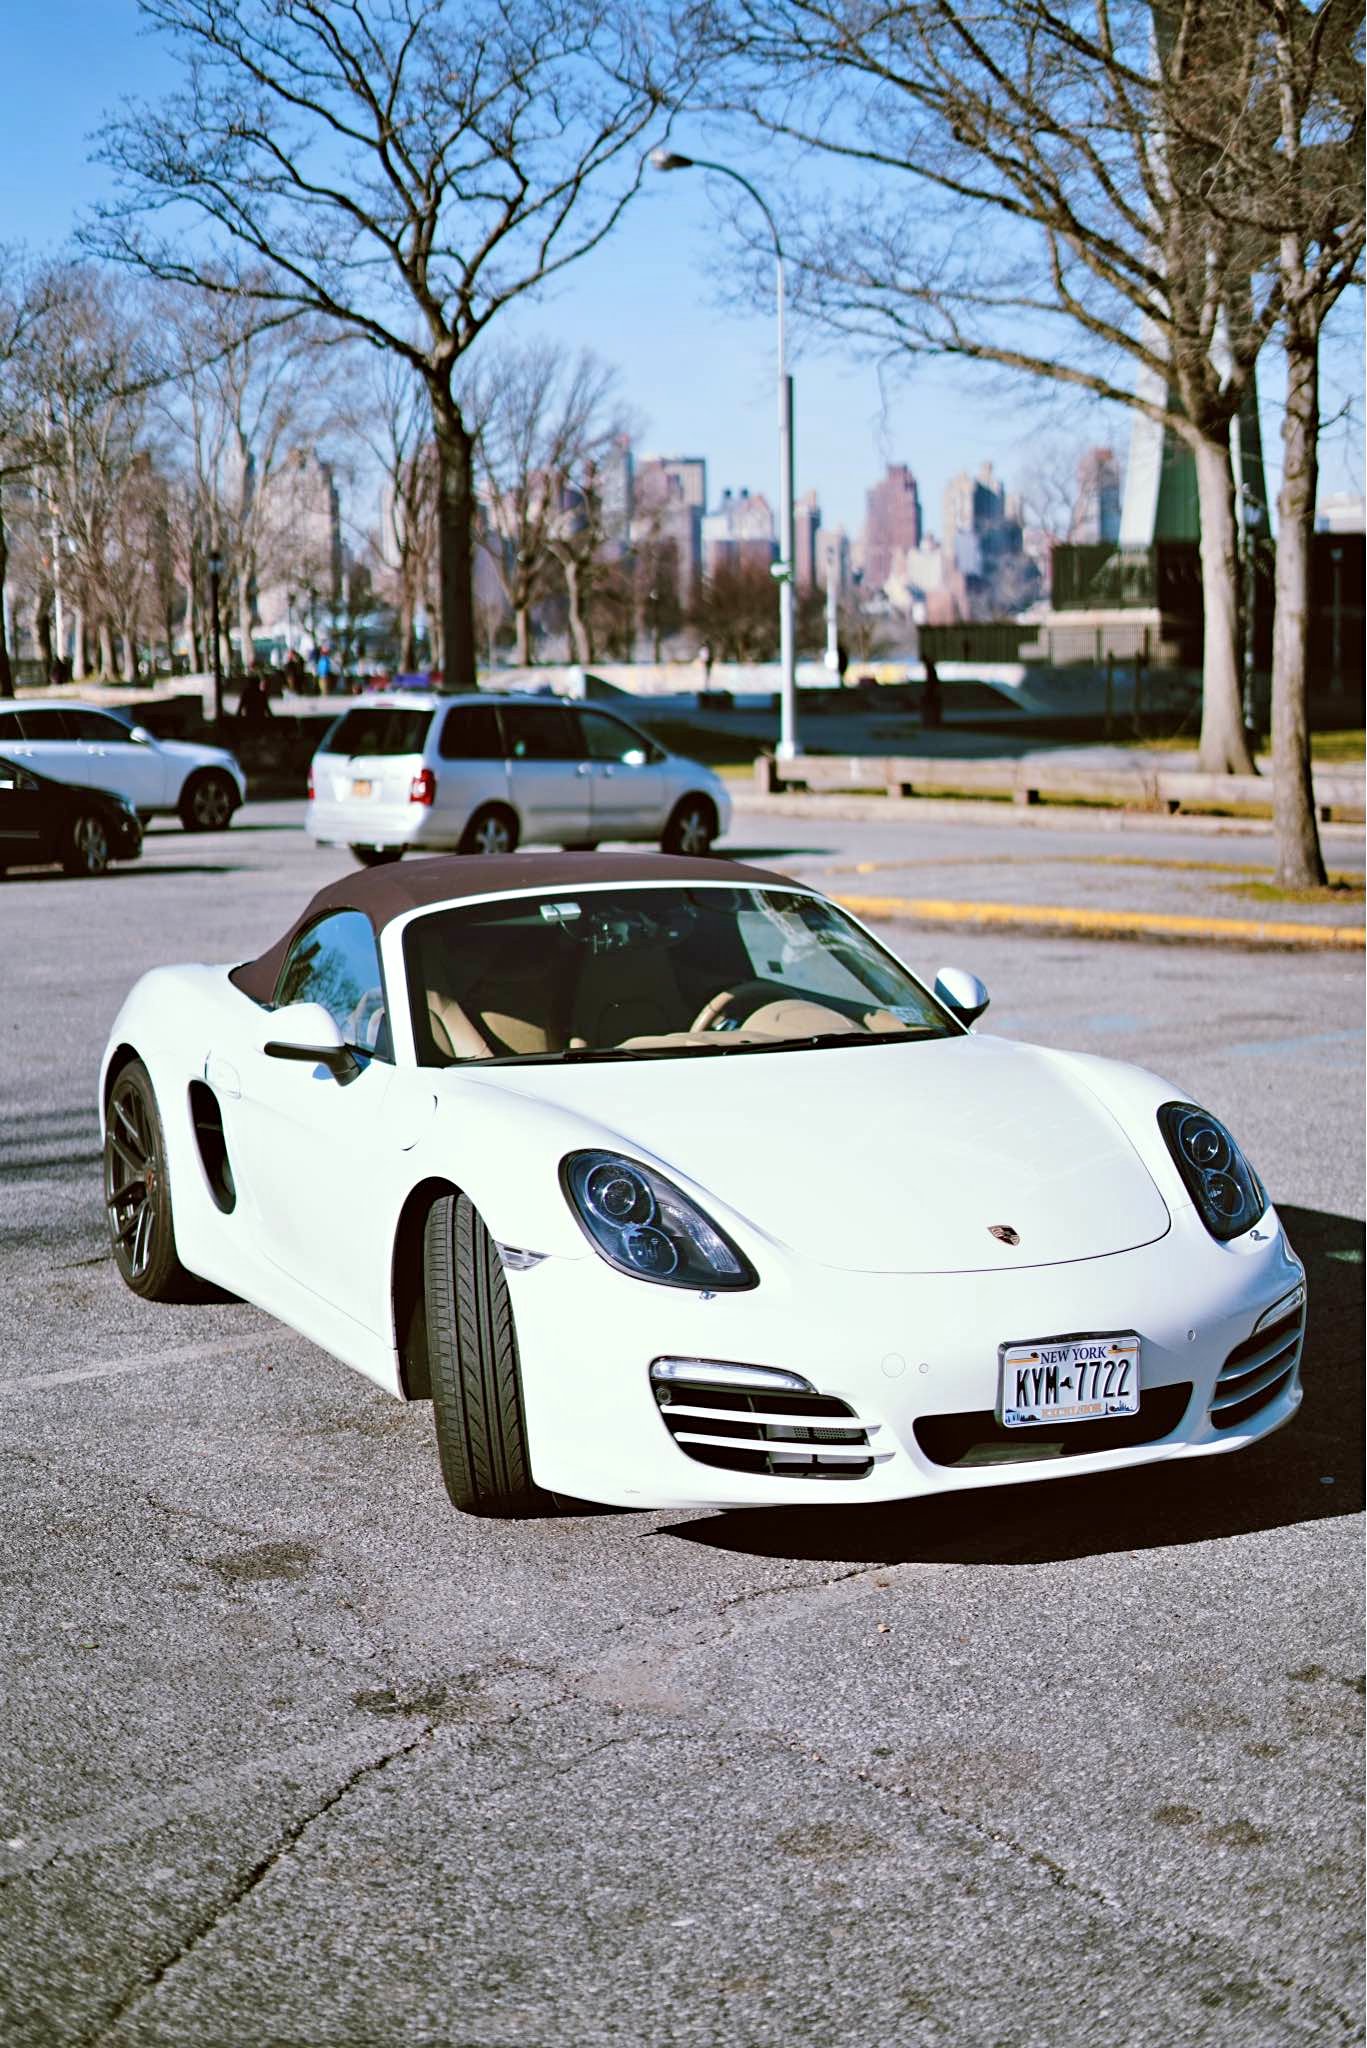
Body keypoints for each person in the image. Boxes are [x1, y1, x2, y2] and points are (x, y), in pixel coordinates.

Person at [921, 656, 942, 731]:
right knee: (932, 708)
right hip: (932, 692)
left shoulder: (930, 669)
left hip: (931, 693)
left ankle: (932, 723)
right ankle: (932, 722)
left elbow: (933, 682)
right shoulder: (930, 669)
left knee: (932, 708)